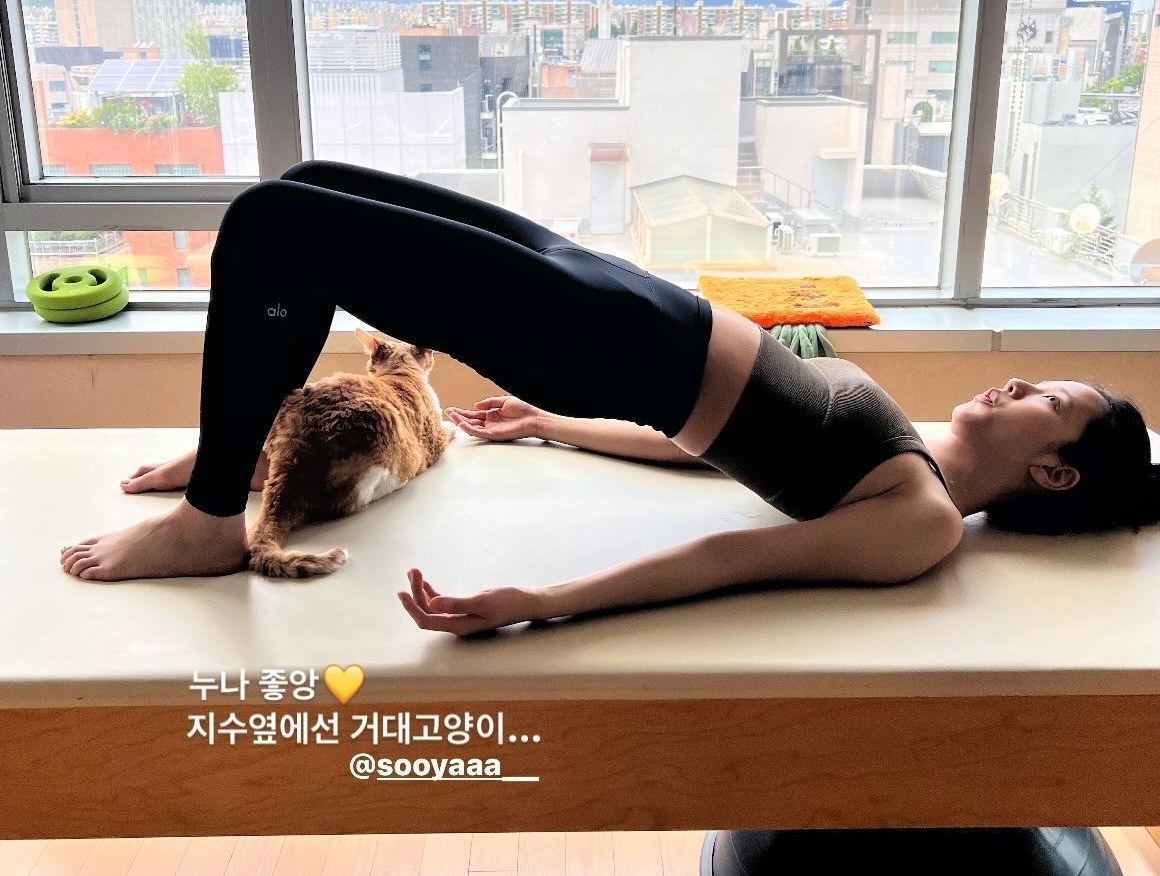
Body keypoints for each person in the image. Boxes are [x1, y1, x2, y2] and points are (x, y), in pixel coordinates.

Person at [59, 162, 1160, 634]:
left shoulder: (922, 520)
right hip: (623, 302)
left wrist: (542, 600)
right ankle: (244, 448)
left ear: (1052, 470)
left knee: (271, 226)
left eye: (1050, 401)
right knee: (304, 190)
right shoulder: (906, 455)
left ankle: (213, 517)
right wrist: (552, 427)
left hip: (601, 335)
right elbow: (718, 449)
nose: (1020, 382)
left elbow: (726, 560)